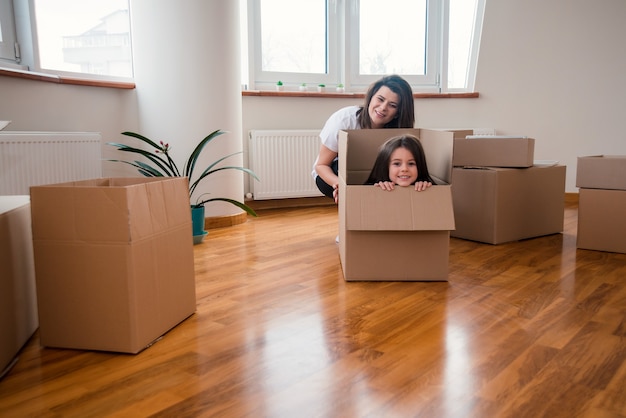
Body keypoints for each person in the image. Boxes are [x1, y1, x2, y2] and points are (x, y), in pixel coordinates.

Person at [311, 75, 415, 203]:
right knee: (343, 168)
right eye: (380, 99)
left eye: (392, 105)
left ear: (398, 112)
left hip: (376, 174)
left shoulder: (399, 131)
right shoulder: (344, 120)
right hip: (333, 174)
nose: (383, 108)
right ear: (371, 97)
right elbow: (321, 166)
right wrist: (341, 186)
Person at [365, 134, 435, 192]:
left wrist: (426, 188)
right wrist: (378, 189)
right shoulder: (376, 187)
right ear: (385, 167)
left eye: (411, 164)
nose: (404, 169)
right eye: (397, 164)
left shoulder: (427, 187)